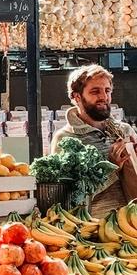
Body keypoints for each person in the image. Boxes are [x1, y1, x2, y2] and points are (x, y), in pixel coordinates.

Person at [50, 65, 137, 215]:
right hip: (94, 229)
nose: (104, 97)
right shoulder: (65, 139)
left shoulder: (124, 131)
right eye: (95, 91)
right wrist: (110, 168)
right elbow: (68, 199)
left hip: (131, 224)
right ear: (76, 97)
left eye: (107, 91)